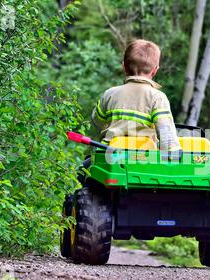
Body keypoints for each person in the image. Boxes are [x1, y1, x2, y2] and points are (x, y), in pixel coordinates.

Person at [78, 39, 182, 184]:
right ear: (155, 69)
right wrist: (173, 153)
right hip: (145, 160)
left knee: (83, 172)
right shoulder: (157, 97)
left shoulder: (110, 94)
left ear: (124, 66)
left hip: (110, 158)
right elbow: (166, 132)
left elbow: (96, 122)